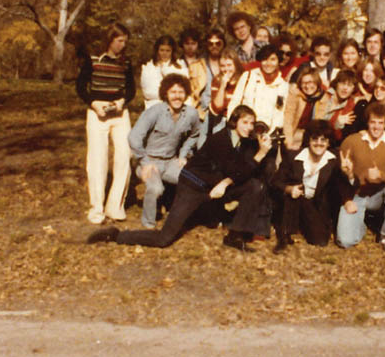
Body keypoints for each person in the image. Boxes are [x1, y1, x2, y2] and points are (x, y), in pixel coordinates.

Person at [87, 104, 274, 253]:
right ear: (234, 122)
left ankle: (236, 235)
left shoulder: (245, 141)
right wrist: (260, 154)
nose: (249, 128)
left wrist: (261, 148)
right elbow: (236, 171)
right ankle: (116, 236)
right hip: (193, 186)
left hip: (214, 188)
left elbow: (244, 172)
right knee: (164, 239)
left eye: (252, 124)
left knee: (255, 185)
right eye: (245, 122)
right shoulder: (221, 139)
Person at [77, 22, 136, 224]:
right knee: (97, 159)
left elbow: (131, 89)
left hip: (119, 113)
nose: (122, 45)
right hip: (97, 113)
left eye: (124, 42)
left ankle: (115, 206)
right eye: (119, 41)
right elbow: (80, 86)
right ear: (110, 40)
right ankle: (97, 209)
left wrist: (122, 101)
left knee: (124, 156)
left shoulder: (126, 62)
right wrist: (93, 103)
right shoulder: (93, 59)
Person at [128, 73, 201, 228]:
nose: (177, 96)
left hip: (170, 161)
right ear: (166, 93)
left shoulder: (190, 114)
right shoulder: (154, 111)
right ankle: (148, 224)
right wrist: (145, 162)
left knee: (190, 181)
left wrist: (183, 154)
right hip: (148, 161)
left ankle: (179, 216)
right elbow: (134, 137)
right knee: (156, 188)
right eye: (173, 92)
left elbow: (195, 134)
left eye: (181, 92)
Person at [336, 102, 385, 253]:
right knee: (345, 241)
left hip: (378, 196)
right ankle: (361, 224)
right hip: (357, 196)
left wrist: (380, 175)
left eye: (380, 123)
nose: (376, 127)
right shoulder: (352, 141)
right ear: (367, 122)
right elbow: (338, 179)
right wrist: (347, 175)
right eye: (373, 122)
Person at [271, 120, 341, 251]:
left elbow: (342, 186)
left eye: (323, 140)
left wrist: (349, 175)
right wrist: (288, 189)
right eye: (315, 139)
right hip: (294, 200)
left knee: (320, 241)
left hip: (315, 205)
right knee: (293, 195)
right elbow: (275, 181)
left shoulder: (334, 160)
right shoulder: (294, 156)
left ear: (328, 142)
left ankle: (302, 225)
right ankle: (285, 235)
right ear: (308, 140)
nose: (319, 143)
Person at [227, 44, 290, 131]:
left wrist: (270, 134)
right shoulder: (248, 77)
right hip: (243, 130)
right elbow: (235, 101)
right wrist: (233, 126)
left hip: (267, 133)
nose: (268, 63)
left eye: (272, 59)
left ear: (278, 61)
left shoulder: (283, 86)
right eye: (265, 59)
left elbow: (280, 114)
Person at [282, 65, 330, 153]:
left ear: (317, 82)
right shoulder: (296, 95)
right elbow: (288, 118)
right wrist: (289, 142)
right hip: (295, 133)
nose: (307, 86)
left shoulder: (323, 98)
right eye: (304, 83)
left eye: (311, 82)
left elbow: (318, 122)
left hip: (312, 136)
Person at [140, 35, 185, 109]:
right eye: (162, 50)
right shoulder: (148, 67)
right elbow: (148, 93)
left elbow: (183, 92)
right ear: (157, 50)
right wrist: (171, 93)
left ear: (172, 51)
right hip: (153, 107)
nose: (164, 53)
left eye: (168, 50)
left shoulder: (180, 67)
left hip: (175, 109)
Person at [207, 47, 243, 135]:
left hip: (240, 119)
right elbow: (217, 108)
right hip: (222, 119)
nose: (226, 69)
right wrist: (223, 85)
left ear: (235, 65)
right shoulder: (217, 80)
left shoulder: (243, 79)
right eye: (223, 66)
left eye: (229, 65)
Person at [176, 28, 209, 113]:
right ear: (182, 44)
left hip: (200, 107)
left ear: (198, 44)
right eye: (187, 44)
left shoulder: (203, 63)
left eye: (193, 43)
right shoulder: (177, 63)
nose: (190, 47)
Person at [324, 69, 361, 145]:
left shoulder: (349, 106)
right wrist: (334, 123)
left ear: (353, 89)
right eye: (342, 83)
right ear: (337, 84)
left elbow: (338, 137)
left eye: (349, 85)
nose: (345, 88)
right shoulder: (325, 96)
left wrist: (337, 125)